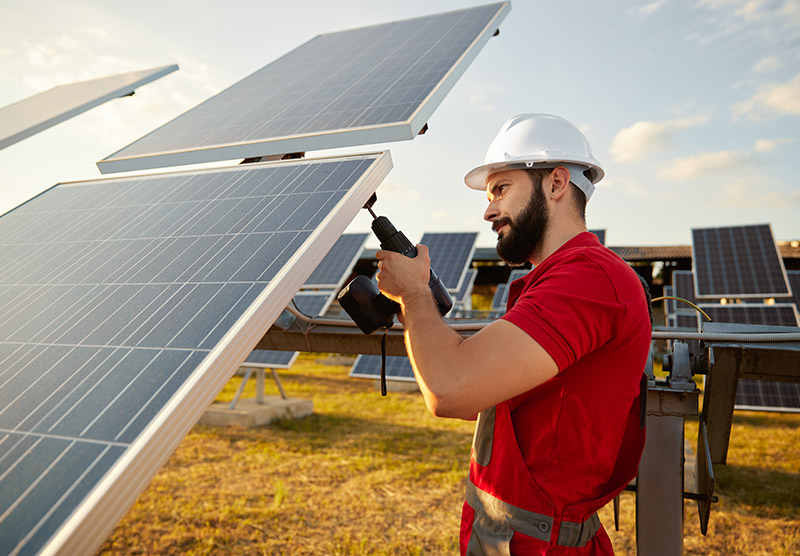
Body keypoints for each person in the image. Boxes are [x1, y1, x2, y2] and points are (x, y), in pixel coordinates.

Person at [375, 114, 652, 555]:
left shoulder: (590, 280)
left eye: (501, 189)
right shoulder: (552, 280)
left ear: (557, 184)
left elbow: (451, 391)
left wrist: (413, 294)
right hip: (507, 535)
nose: (487, 210)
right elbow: (483, 395)